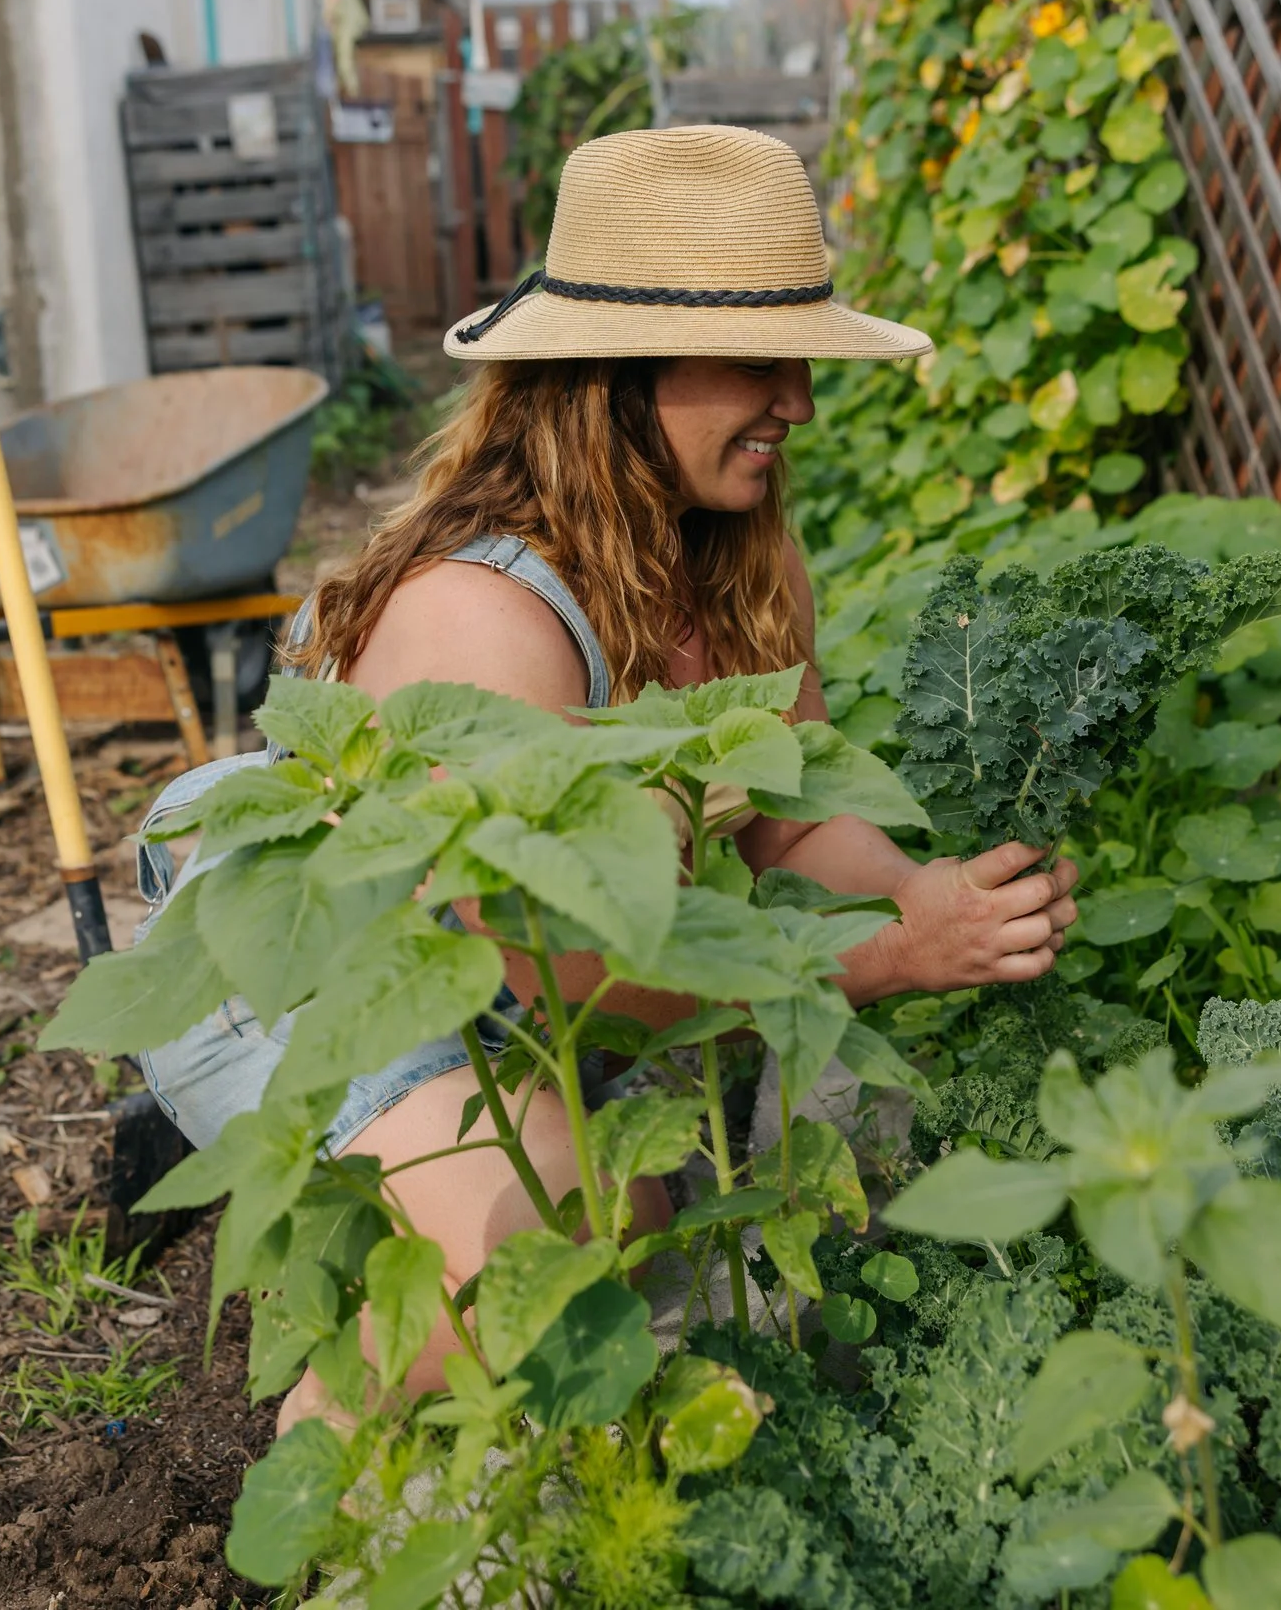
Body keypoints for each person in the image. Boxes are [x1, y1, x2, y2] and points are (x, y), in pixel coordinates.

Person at [135, 125, 1079, 1430]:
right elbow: (561, 976)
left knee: (690, 1173)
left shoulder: (739, 556)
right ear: (621, 371)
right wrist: (872, 957)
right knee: (554, 1238)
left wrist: (927, 895)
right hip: (346, 984)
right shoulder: (482, 617)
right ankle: (338, 1435)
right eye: (761, 360)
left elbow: (794, 837)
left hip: (558, 1004)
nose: (798, 401)